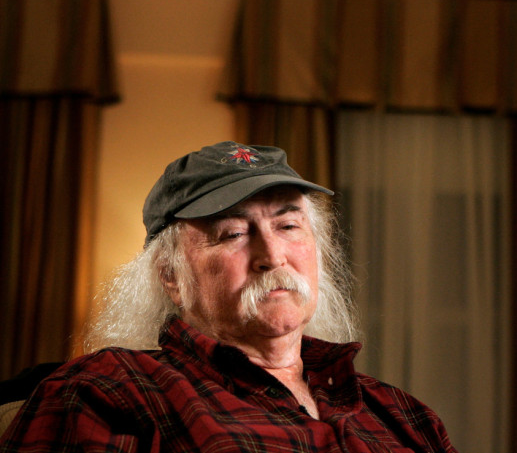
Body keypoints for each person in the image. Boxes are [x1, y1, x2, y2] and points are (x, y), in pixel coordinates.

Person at [0, 142, 457, 452]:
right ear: (171, 276)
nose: (272, 255)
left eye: (288, 225)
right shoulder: (108, 391)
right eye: (233, 232)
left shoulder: (401, 413)